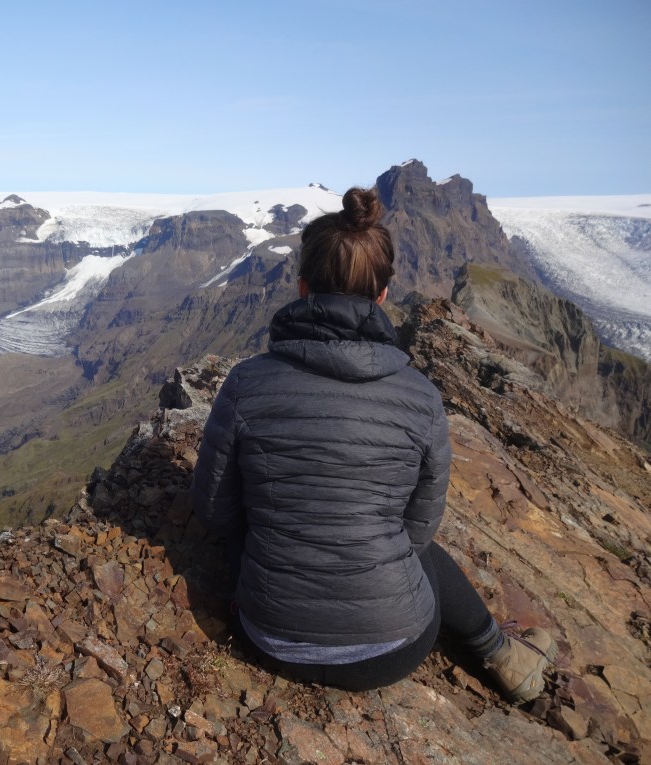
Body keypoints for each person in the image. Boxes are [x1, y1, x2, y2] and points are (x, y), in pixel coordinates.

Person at [190, 186, 556, 703]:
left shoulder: (246, 384)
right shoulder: (421, 397)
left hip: (268, 638)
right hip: (393, 650)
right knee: (414, 554)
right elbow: (419, 530)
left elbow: (213, 510)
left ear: (301, 287)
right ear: (383, 296)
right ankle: (502, 655)